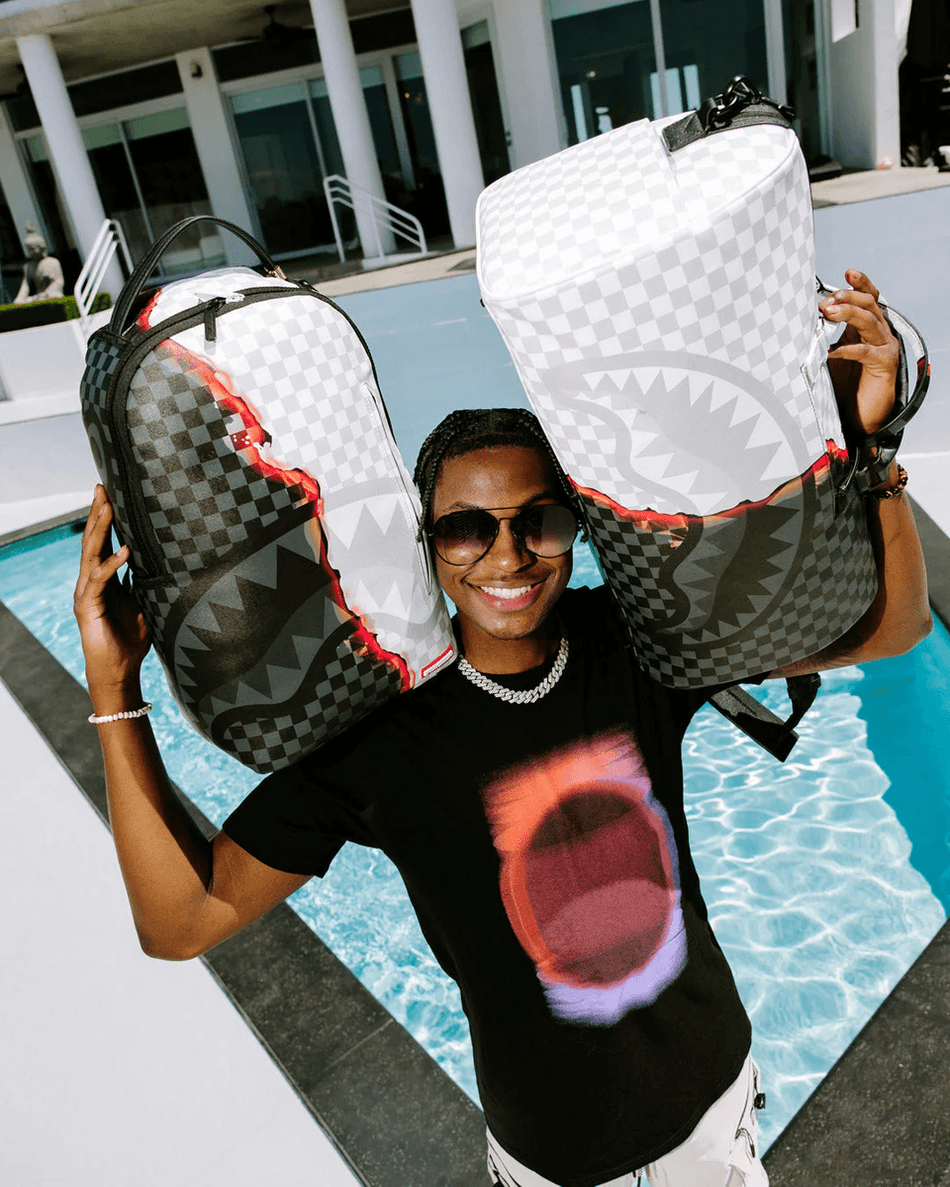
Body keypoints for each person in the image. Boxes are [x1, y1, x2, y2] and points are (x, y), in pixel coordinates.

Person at [74, 272, 931, 1187]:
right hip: (552, 1156)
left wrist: (874, 453)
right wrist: (113, 685)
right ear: (423, 540)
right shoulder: (379, 728)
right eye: (466, 529)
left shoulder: (636, 642)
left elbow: (893, 626)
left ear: (578, 527)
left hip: (711, 1102)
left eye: (540, 522)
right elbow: (183, 919)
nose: (508, 554)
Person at [13, 226, 65, 305]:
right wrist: (19, 298)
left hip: (52, 293)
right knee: (24, 301)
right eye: (29, 249)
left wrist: (46, 293)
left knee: (54, 295)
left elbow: (58, 282)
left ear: (41, 248)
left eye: (33, 248)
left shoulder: (52, 262)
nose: (31, 252)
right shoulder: (28, 266)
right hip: (39, 296)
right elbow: (25, 285)